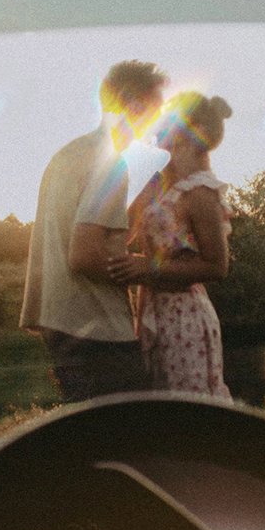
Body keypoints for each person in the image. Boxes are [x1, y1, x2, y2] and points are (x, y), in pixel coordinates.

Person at [20, 58, 167, 402]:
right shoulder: (110, 163)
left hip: (62, 323)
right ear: (133, 105)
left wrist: (141, 205)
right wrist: (150, 271)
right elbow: (84, 256)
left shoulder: (69, 155)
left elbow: (93, 238)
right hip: (97, 330)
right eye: (156, 108)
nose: (158, 120)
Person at [108, 91, 233, 398]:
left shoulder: (201, 191)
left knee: (189, 414)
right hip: (152, 309)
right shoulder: (162, 183)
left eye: (168, 122)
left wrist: (147, 267)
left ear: (191, 133)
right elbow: (122, 227)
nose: (158, 128)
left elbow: (217, 266)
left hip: (183, 318)